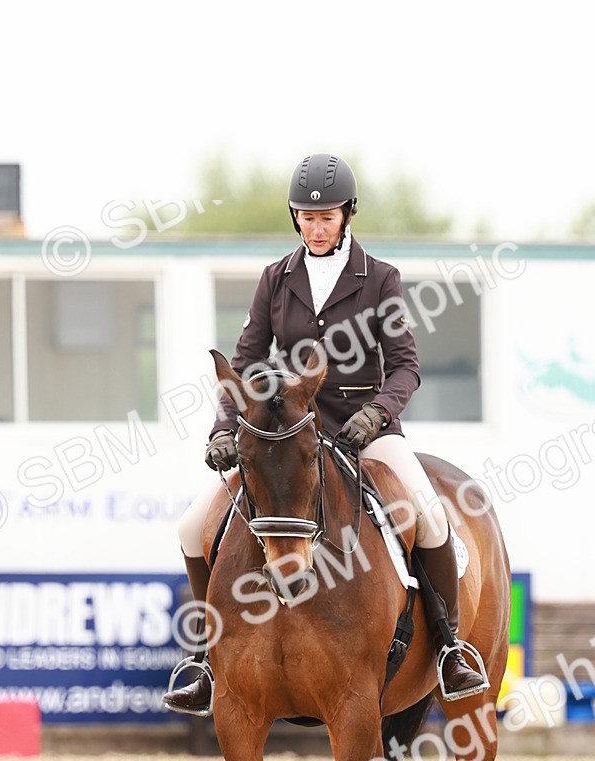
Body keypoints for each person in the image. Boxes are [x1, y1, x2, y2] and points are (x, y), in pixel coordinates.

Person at [163, 153, 486, 715]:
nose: (316, 227)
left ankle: (450, 649)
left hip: (366, 430)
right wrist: (223, 429)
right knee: (193, 527)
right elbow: (243, 363)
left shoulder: (379, 278)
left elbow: (406, 366)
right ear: (295, 218)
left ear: (347, 215)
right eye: (306, 217)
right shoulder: (276, 279)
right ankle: (203, 658)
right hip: (290, 436)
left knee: (432, 517)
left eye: (327, 217)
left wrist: (377, 414)